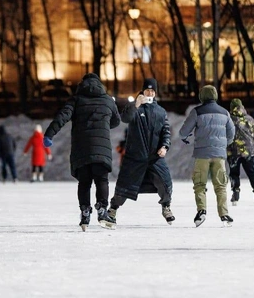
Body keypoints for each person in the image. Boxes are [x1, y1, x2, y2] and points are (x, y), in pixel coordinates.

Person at [43, 73, 121, 231]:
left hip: (82, 148)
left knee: (84, 182)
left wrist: (49, 134)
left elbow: (62, 116)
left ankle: (85, 212)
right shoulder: (107, 99)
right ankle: (102, 209)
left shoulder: (76, 100)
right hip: (101, 147)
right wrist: (104, 122)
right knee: (101, 180)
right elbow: (116, 121)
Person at [98, 78, 174, 229]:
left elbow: (166, 131)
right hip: (135, 157)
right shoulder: (135, 108)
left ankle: (166, 206)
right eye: (147, 90)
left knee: (165, 183)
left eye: (152, 91)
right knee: (124, 186)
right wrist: (136, 104)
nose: (150, 93)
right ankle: (113, 210)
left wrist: (165, 146)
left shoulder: (160, 111)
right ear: (142, 91)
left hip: (154, 158)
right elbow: (124, 118)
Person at [179, 85, 235, 227]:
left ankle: (201, 211)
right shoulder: (225, 113)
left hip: (202, 154)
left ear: (201, 96)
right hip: (219, 155)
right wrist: (222, 145)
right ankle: (224, 214)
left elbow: (183, 131)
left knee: (199, 184)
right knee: (221, 185)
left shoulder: (197, 112)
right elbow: (231, 134)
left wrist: (186, 137)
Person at [227, 98, 254, 206]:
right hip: (248, 151)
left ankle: (235, 193)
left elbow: (226, 134)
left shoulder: (229, 119)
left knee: (234, 173)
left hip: (233, 151)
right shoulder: (250, 119)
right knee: (252, 172)